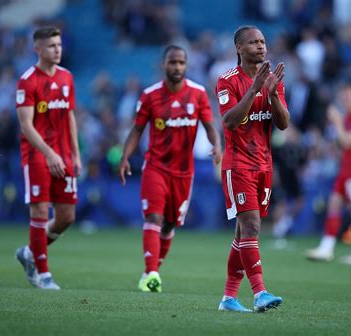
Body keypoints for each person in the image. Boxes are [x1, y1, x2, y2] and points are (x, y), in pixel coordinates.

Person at [119, 45, 222, 293]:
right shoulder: (150, 95)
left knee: (169, 225)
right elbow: (137, 130)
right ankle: (152, 273)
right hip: (156, 166)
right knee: (154, 216)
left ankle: (150, 272)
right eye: (172, 62)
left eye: (181, 63)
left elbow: (209, 126)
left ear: (186, 65)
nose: (177, 67)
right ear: (163, 64)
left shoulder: (197, 94)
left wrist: (217, 145)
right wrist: (125, 157)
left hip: (184, 172)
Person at [215, 25, 289, 313]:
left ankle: (228, 298)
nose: (260, 46)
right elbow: (230, 122)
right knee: (252, 227)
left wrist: (271, 95)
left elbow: (283, 123)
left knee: (241, 234)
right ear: (239, 48)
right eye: (253, 42)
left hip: (264, 165)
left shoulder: (273, 81)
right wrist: (255, 89)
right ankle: (259, 293)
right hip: (238, 166)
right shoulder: (226, 81)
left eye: (263, 41)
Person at [14, 26, 81, 290]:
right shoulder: (27, 81)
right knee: (40, 210)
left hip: (64, 156)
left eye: (59, 45)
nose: (57, 50)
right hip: (37, 156)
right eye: (52, 45)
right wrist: (49, 153)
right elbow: (26, 125)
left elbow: (70, 116)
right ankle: (43, 274)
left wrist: (75, 153)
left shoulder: (67, 78)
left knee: (66, 216)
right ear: (38, 49)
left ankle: (30, 252)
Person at [306, 83, 351, 265]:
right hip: (346, 170)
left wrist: (336, 122)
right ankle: (326, 248)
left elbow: (349, 142)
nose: (346, 100)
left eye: (349, 96)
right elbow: (342, 145)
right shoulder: (349, 117)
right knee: (334, 204)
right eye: (343, 98)